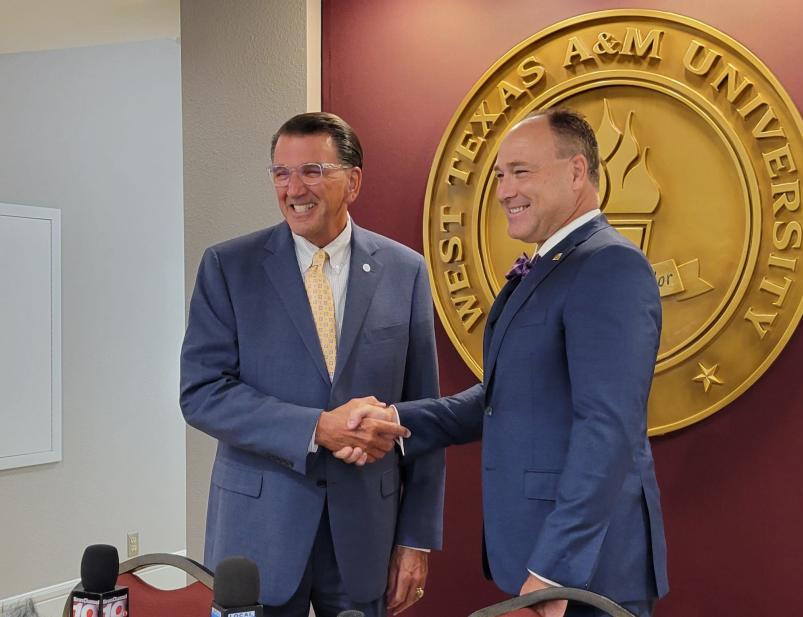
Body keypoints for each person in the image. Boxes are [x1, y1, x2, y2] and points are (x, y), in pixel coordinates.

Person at [344, 108, 668, 617]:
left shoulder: (610, 267)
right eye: (499, 175)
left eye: (521, 171)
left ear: (576, 172)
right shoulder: (551, 265)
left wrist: (555, 571)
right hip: (538, 558)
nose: (502, 191)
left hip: (584, 576)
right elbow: (503, 398)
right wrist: (399, 420)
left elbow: (608, 430)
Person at [180, 112, 445, 617]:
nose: (293, 188)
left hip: (367, 537)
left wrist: (415, 540)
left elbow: (423, 417)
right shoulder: (228, 267)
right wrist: (316, 428)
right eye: (281, 172)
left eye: (313, 171)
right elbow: (202, 392)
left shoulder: (405, 271)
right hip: (257, 535)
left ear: (354, 181)